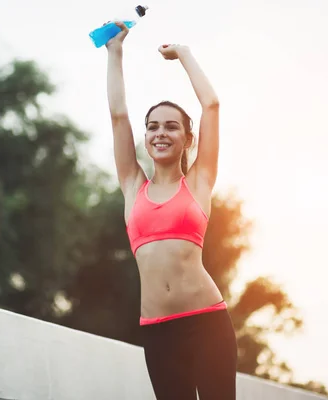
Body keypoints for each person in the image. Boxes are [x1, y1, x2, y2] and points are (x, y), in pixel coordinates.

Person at [104, 21, 238, 400]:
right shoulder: (133, 186)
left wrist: (183, 54)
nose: (160, 133)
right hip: (157, 328)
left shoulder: (198, 183)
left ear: (187, 139)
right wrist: (115, 52)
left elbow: (211, 104)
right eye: (152, 127)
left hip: (207, 322)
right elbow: (117, 116)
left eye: (171, 127)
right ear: (145, 138)